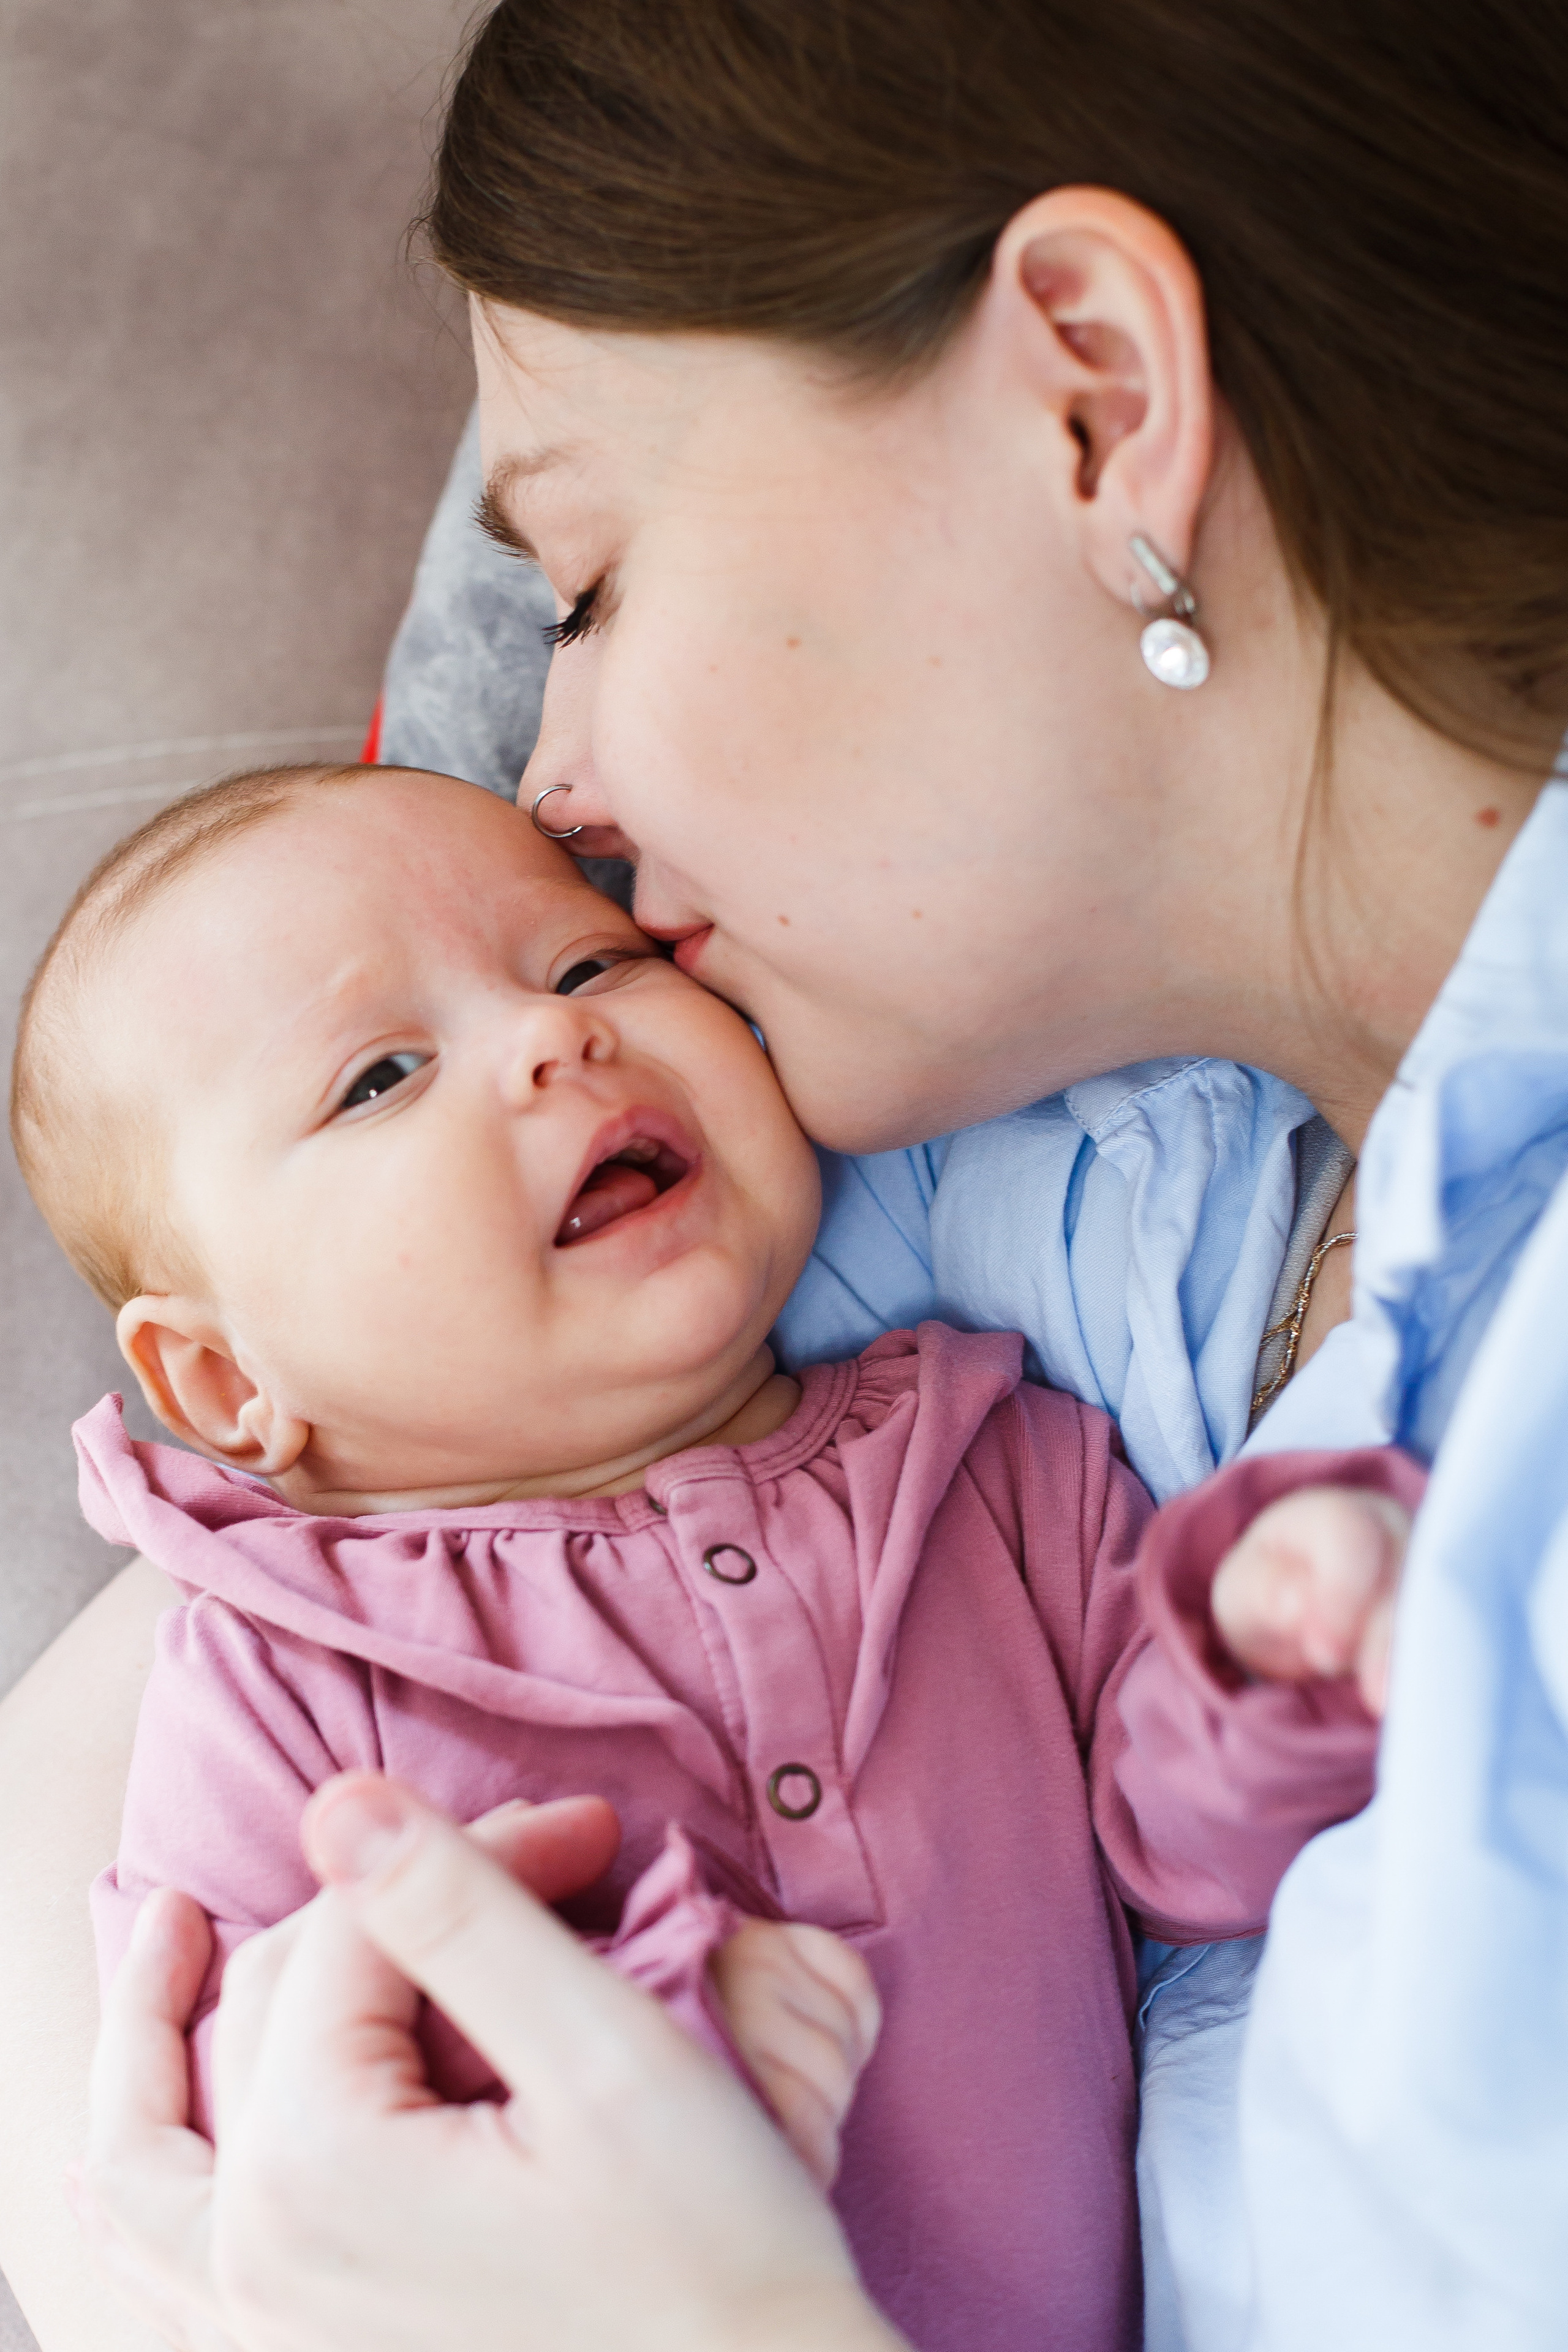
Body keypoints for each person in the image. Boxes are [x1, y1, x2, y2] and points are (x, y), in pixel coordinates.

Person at [2, 0, 1565, 2346]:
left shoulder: (990, 1353)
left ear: (1096, 397)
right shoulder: (1047, 1171)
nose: (550, 782)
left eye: (588, 582)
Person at [18, 757, 1413, 2350]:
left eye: (589, 961)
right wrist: (658, 2020)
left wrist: (1264, 1663)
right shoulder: (279, 1665)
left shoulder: (994, 1456)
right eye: (382, 1076)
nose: (557, 1035)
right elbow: (264, 2162)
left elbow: (1182, 1859)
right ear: (227, 1384)